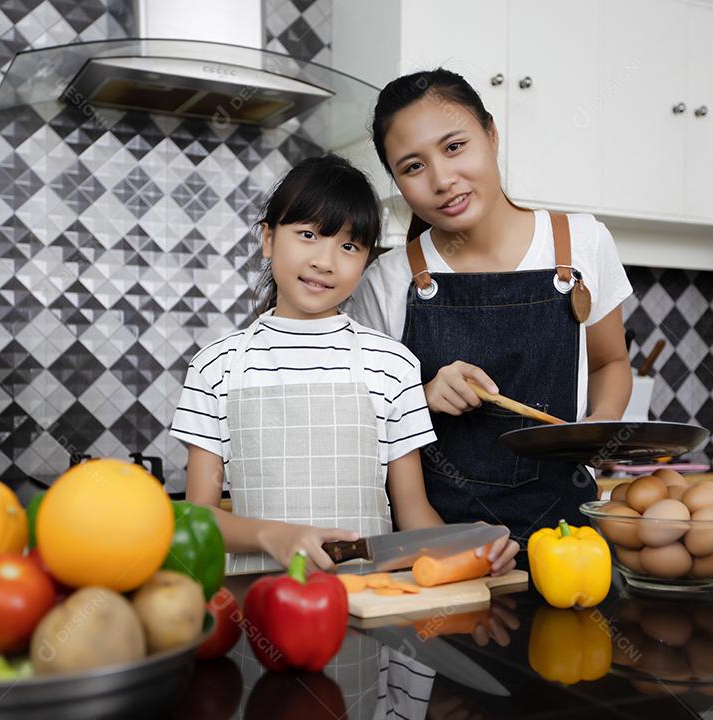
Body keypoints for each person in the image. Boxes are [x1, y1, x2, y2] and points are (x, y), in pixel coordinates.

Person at [171, 154, 520, 574]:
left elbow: (413, 516)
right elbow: (199, 518)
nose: (325, 261)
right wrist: (275, 535)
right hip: (259, 601)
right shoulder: (215, 366)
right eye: (308, 235)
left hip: (372, 604)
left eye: (349, 245)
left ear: (367, 259)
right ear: (268, 238)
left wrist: (468, 548)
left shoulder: (394, 366)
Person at [345, 69, 633, 557]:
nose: (442, 179)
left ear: (491, 133)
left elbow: (611, 363)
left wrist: (598, 428)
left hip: (567, 541)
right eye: (413, 167)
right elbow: (363, 426)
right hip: (438, 547)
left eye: (454, 147)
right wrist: (423, 396)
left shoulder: (583, 242)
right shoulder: (387, 281)